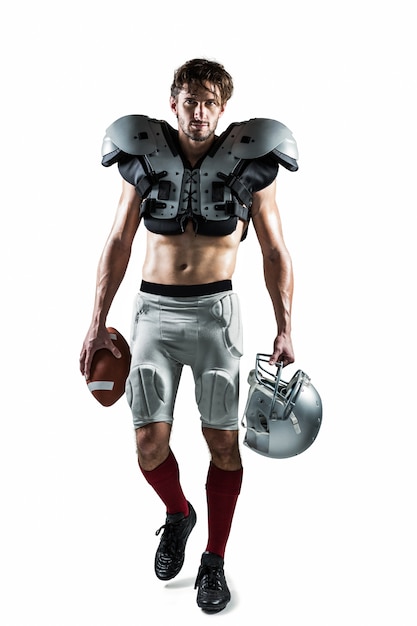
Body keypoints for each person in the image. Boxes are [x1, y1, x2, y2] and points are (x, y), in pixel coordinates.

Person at [80, 58, 298, 613]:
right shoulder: (143, 158)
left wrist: (286, 328)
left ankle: (214, 560)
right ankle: (178, 513)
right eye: (189, 100)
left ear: (223, 111)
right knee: (148, 442)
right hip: (153, 313)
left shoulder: (251, 165)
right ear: (172, 103)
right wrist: (95, 319)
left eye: (209, 102)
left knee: (222, 441)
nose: (198, 111)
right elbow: (118, 239)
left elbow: (275, 251)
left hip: (216, 315)